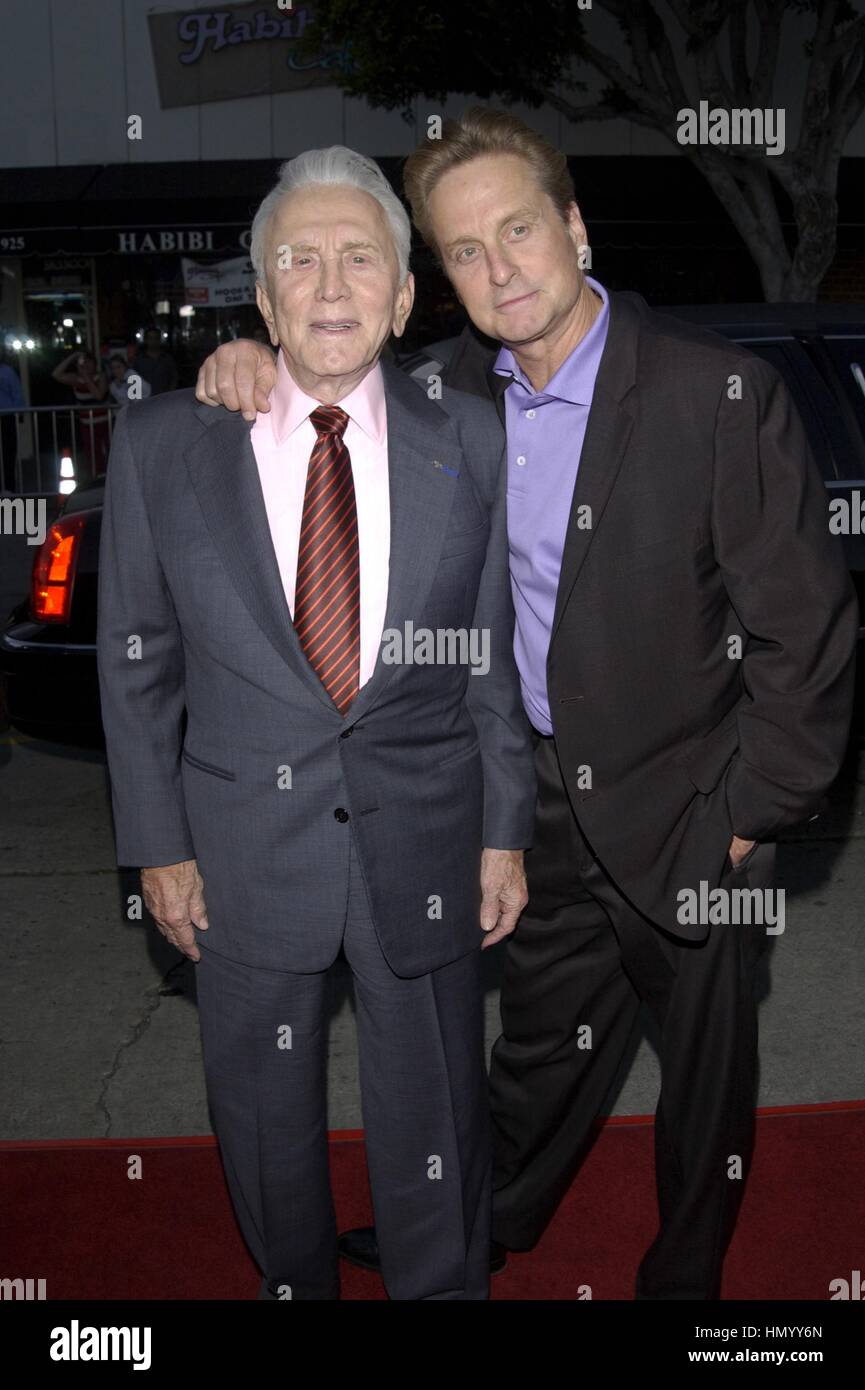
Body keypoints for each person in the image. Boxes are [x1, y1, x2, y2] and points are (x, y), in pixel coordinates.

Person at [195, 109, 858, 1301]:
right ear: (438, 280)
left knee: (707, 1078)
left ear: (575, 227)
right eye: (462, 249)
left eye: (517, 231)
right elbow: (319, 376)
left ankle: (686, 1283)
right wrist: (237, 367)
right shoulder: (448, 397)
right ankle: (485, 1221)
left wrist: (750, 816)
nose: (498, 267)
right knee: (539, 1049)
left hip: (694, 798)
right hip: (531, 799)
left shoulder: (720, 392)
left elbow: (804, 637)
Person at [97, 145, 536, 1301]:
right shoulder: (164, 449)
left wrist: (505, 830)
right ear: (263, 293)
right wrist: (156, 844)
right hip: (238, 853)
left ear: (402, 296)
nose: (330, 285)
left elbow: (487, 657)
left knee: (436, 1114)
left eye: (361, 259)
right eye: (301, 260)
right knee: (261, 1124)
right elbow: (137, 667)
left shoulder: (473, 440)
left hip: (429, 842)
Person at [52, 349, 111, 473]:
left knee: (110, 454)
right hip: (87, 425)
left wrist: (87, 378)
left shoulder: (101, 376)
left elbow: (99, 395)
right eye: (84, 363)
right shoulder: (76, 379)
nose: (87, 365)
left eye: (90, 362)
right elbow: (56, 374)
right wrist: (73, 356)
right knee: (93, 457)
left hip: (104, 423)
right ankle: (97, 481)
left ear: (95, 364)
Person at [0, 348, 25, 481]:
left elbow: (17, 394)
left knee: (8, 452)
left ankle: (9, 486)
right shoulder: (8, 371)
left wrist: (19, 413)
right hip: (8, 415)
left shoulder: (7, 371)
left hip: (7, 417)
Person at [132, 327, 178, 395]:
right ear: (145, 340)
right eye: (150, 338)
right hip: (144, 399)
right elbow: (134, 379)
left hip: (164, 398)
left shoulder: (167, 359)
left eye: (156, 338)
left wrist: (170, 393)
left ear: (159, 340)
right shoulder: (139, 360)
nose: (153, 341)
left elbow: (174, 378)